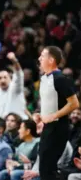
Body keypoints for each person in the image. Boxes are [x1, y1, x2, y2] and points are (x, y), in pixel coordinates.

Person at [37, 45, 79, 180]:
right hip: (48, 127)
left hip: (58, 128)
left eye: (43, 56)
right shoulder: (45, 78)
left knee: (48, 169)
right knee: (44, 168)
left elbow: (74, 103)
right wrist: (41, 115)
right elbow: (51, 104)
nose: (39, 58)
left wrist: (54, 115)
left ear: (51, 60)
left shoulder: (60, 78)